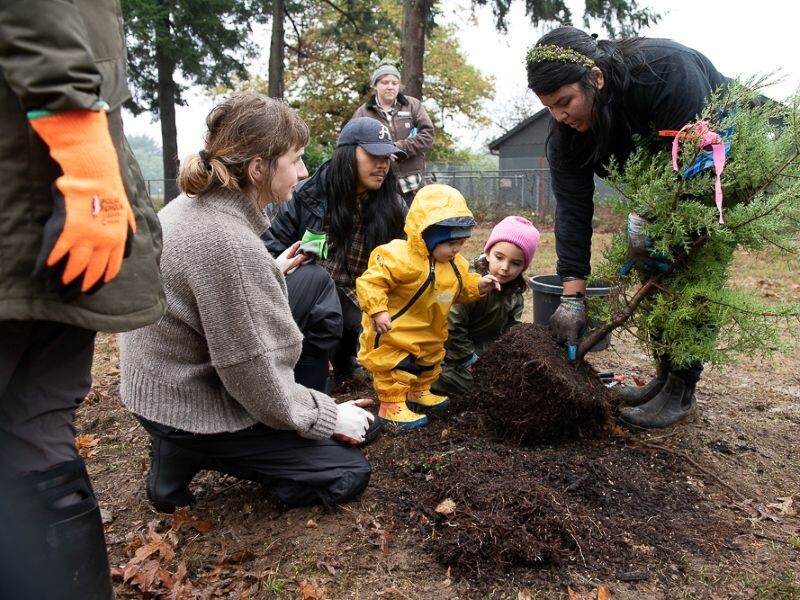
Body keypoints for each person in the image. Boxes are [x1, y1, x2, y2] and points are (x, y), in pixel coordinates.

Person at [119, 93, 375, 515]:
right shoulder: (228, 245)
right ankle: (195, 450)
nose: (303, 171)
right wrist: (325, 418)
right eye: (294, 159)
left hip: (162, 383)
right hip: (190, 402)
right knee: (347, 470)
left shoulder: (193, 207)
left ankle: (188, 446)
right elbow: (247, 372)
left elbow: (210, 296)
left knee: (310, 280)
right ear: (258, 168)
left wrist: (268, 270)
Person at [0, 1, 166, 598]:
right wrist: (83, 151)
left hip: (66, 212)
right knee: (36, 428)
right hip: (55, 192)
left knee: (39, 424)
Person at [525, 26, 730, 429]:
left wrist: (648, 214)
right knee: (652, 267)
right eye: (549, 107)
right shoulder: (565, 133)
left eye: (565, 101)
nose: (559, 115)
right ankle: (664, 378)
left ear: (596, 79)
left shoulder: (665, 71)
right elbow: (572, 210)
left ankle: (681, 389)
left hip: (720, 164)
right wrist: (572, 297)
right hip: (663, 187)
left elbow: (697, 158)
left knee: (689, 267)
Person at [262, 117, 408, 389]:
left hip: (367, 303)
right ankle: (304, 371)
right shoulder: (306, 196)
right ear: (347, 155)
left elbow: (410, 267)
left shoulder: (395, 208)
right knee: (315, 282)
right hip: (312, 300)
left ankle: (348, 360)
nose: (383, 164)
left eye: (387, 156)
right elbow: (270, 249)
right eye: (374, 154)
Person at [356, 184, 500, 428]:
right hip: (395, 331)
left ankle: (419, 392)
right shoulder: (398, 257)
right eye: (450, 243)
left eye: (460, 243)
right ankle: (391, 404)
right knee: (396, 366)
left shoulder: (455, 264)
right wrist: (378, 310)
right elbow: (371, 282)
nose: (455, 249)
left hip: (430, 332)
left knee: (429, 363)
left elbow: (461, 287)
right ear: (427, 234)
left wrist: (479, 285)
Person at [431, 216, 540, 398]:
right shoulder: (470, 284)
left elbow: (511, 331)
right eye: (499, 257)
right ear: (488, 253)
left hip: (483, 353)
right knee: (480, 390)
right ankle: (429, 381)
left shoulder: (514, 294)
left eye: (516, 263)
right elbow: (452, 327)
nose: (505, 268)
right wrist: (469, 359)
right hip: (449, 354)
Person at [353, 60, 435, 206]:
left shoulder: (413, 106)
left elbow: (427, 135)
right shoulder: (363, 112)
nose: (390, 87)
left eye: (394, 83)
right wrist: (381, 153)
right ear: (375, 85)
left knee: (415, 228)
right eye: (385, 82)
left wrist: (397, 148)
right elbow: (353, 145)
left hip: (413, 185)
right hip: (379, 185)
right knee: (382, 227)